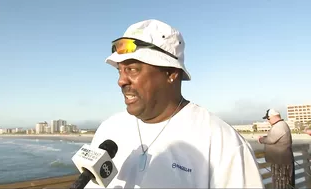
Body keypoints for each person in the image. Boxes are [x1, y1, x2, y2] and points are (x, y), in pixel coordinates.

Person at [85, 19, 264, 188]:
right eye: (120, 71)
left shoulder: (221, 142)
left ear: (171, 73)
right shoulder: (109, 129)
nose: (121, 81)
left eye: (132, 69)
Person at [258, 109, 295, 189]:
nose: (268, 121)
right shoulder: (281, 125)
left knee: (281, 184)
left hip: (281, 163)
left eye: (268, 118)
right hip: (281, 161)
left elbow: (271, 140)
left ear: (272, 117)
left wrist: (261, 139)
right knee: (285, 184)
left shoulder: (279, 126)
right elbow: (273, 138)